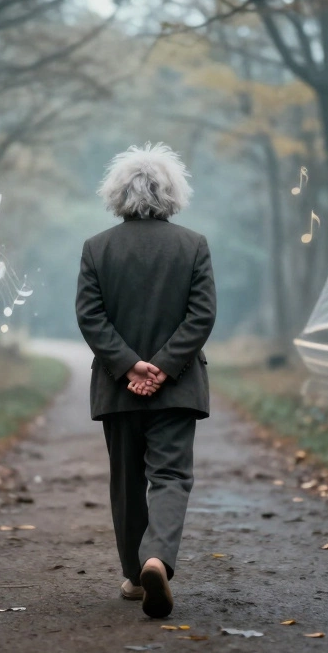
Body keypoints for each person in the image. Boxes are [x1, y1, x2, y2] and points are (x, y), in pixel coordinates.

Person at [75, 142, 217, 619]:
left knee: (127, 482)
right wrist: (162, 367)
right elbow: (202, 316)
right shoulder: (193, 245)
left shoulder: (97, 248)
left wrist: (131, 366)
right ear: (173, 193)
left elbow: (90, 318)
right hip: (177, 387)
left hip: (118, 388)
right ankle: (158, 557)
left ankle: (137, 576)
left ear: (117, 195)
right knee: (171, 476)